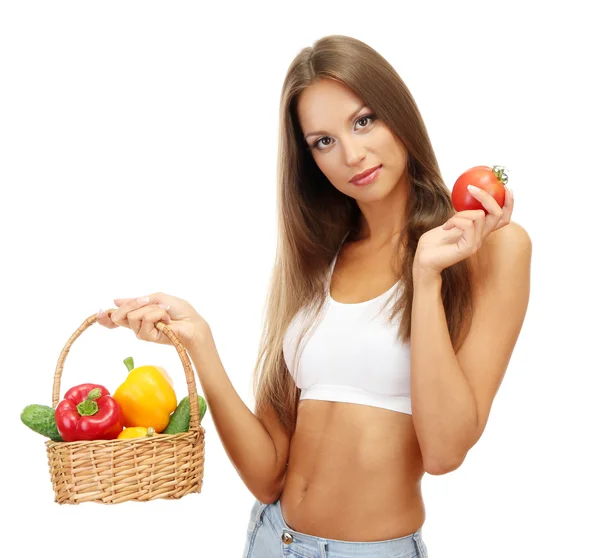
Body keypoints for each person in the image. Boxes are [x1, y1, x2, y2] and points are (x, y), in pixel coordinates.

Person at [97, 34, 532, 558]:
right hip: (270, 538)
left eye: (364, 120)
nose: (351, 154)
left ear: (399, 114)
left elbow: (443, 452)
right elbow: (265, 476)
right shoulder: (319, 260)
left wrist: (426, 276)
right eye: (322, 141)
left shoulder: (491, 247)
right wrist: (200, 345)